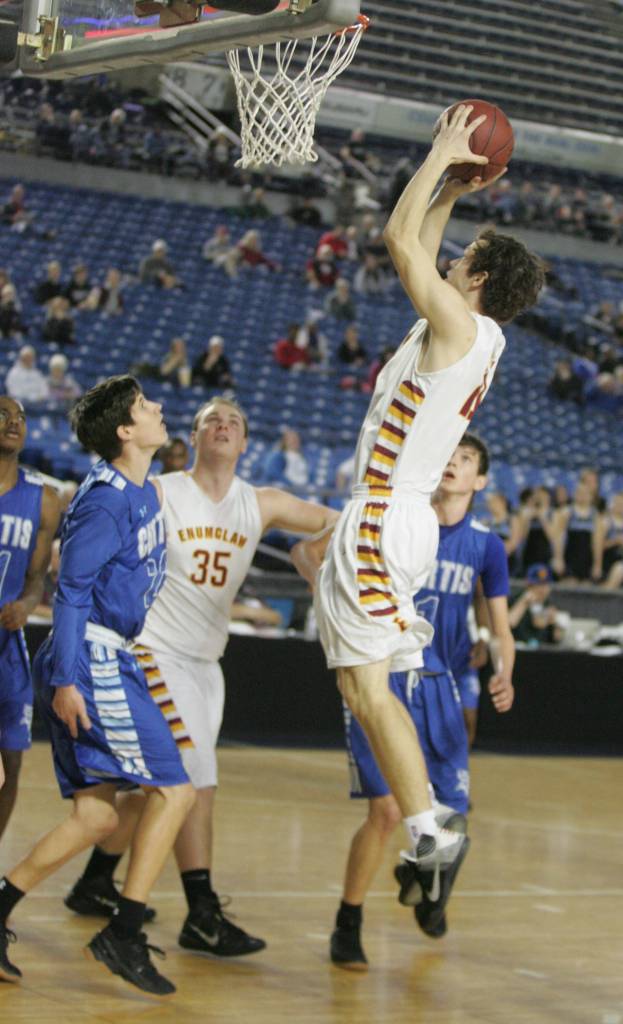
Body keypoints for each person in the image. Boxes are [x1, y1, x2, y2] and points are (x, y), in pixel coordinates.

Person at [292, 104, 543, 921]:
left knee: (367, 689)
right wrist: (458, 187)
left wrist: (439, 158)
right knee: (365, 685)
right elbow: (429, 244)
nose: (452, 257)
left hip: (383, 515)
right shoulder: (476, 332)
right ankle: (426, 821)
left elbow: (403, 246)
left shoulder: (459, 324)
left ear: (472, 284)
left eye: (463, 257)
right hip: (394, 520)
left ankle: (431, 825)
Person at [69, 397, 339, 958]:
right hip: (154, 653)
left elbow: (341, 522)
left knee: (154, 794)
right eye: (212, 420)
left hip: (204, 665)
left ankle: (95, 880)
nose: (223, 426)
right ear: (192, 437)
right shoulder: (163, 491)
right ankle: (201, 913)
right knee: (194, 786)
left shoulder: (261, 503)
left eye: (235, 422)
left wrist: (310, 557)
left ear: (244, 444)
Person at [0, 375, 195, 995]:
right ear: (124, 431)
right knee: (175, 792)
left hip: (108, 656)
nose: (158, 408)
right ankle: (124, 931)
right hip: (90, 660)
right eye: (145, 406)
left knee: (94, 817)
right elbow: (72, 591)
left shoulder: (142, 494)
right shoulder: (105, 499)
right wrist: (66, 679)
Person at [329, 434, 515, 969]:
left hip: (441, 684)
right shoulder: (401, 523)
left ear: (480, 480)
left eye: (467, 460)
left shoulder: (485, 544)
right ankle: (349, 920)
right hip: (384, 676)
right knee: (387, 811)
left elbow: (501, 628)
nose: (453, 463)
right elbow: (326, 559)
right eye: (448, 455)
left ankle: (425, 879)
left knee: (451, 821)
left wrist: (505, 672)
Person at [0, 397, 61, 842]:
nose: (13, 423)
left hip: (6, 649)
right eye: (3, 414)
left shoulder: (43, 500)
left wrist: (24, 605)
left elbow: (37, 581)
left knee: (9, 764)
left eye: (20, 417)